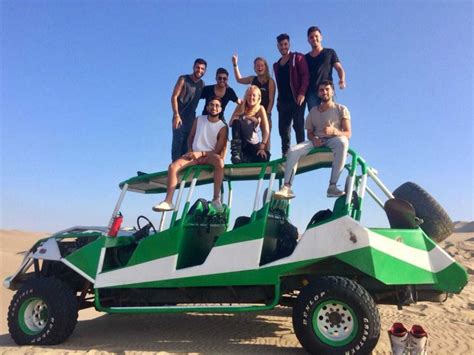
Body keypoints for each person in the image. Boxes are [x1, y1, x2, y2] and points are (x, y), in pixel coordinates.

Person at [274, 80, 351, 199]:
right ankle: (287, 188)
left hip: (334, 139)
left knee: (343, 142)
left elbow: (348, 133)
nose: (324, 92)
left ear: (332, 91)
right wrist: (314, 139)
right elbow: (309, 132)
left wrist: (334, 131)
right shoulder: (313, 111)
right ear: (318, 93)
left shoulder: (341, 109)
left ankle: (332, 186)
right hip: (316, 141)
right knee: (293, 150)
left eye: (327, 89)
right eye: (321, 90)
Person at [154, 98, 228, 212]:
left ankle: (216, 199)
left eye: (217, 105)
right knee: (173, 167)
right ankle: (168, 201)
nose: (214, 107)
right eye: (211, 105)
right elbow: (191, 137)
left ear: (221, 109)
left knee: (219, 162)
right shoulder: (199, 119)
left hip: (209, 156)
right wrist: (190, 150)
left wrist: (202, 153)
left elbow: (218, 150)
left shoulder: (223, 127)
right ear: (207, 107)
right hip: (194, 155)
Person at [273, 33, 310, 157]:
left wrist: (302, 92)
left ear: (289, 44)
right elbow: (279, 84)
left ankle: (301, 149)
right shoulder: (276, 65)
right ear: (277, 46)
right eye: (281, 45)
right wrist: (278, 101)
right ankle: (286, 152)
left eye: (285, 44)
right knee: (283, 128)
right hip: (283, 101)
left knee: (298, 123)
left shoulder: (297, 57)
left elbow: (305, 75)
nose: (283, 47)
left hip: (296, 98)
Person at [170, 58, 207, 162]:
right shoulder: (183, 79)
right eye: (197, 67)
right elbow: (174, 97)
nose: (199, 70)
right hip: (180, 116)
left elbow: (210, 94)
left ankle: (185, 169)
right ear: (193, 67)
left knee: (188, 145)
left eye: (202, 69)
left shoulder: (202, 84)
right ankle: (175, 169)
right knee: (178, 145)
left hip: (191, 118)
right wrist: (176, 115)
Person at [305, 26, 346, 111]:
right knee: (315, 119)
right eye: (311, 37)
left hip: (327, 90)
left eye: (316, 36)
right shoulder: (305, 58)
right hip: (312, 93)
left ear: (321, 37)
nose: (314, 38)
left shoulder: (330, 52)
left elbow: (339, 68)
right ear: (308, 40)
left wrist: (342, 79)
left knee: (329, 118)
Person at [231, 55, 275, 130]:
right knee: (248, 133)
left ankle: (264, 141)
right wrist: (235, 65)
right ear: (254, 68)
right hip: (252, 111)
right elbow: (239, 79)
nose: (260, 68)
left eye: (262, 65)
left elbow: (271, 100)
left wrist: (267, 114)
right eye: (257, 66)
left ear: (266, 67)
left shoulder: (270, 81)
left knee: (266, 135)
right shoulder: (252, 79)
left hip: (264, 111)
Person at [229, 85, 270, 164]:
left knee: (264, 158)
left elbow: (266, 130)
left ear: (258, 97)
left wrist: (262, 147)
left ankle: (246, 159)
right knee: (236, 122)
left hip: (253, 144)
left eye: (254, 95)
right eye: (249, 95)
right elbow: (231, 123)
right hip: (242, 143)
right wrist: (246, 117)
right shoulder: (241, 106)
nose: (251, 97)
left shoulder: (260, 108)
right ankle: (236, 154)